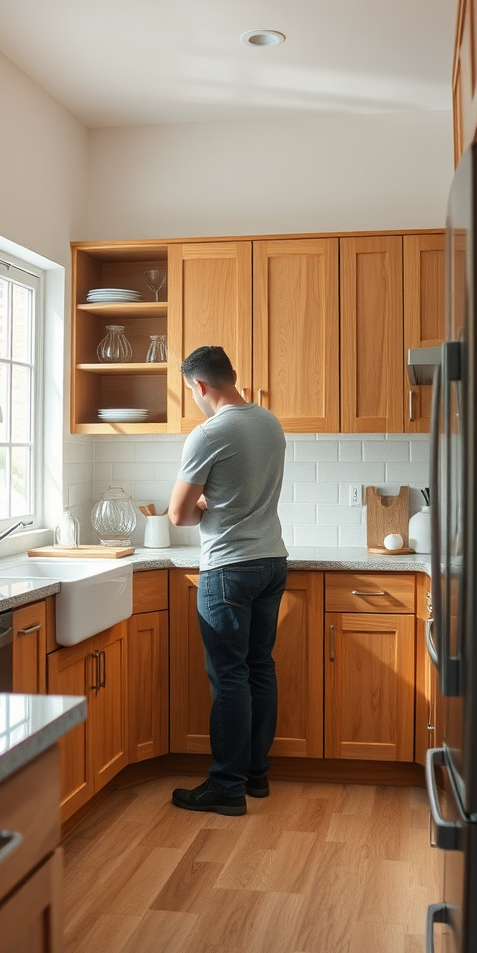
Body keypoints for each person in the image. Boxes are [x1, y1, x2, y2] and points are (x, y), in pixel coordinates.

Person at [168, 346, 288, 816]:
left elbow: (178, 514)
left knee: (230, 676)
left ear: (199, 385)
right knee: (260, 666)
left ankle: (226, 787)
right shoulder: (270, 423)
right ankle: (255, 774)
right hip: (272, 561)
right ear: (232, 376)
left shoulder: (208, 433)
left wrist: (201, 506)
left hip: (229, 569)